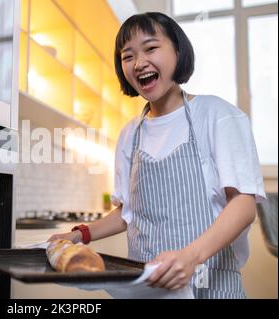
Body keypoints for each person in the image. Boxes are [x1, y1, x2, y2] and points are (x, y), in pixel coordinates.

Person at [48, 12, 266, 299]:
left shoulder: (217, 116)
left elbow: (243, 204)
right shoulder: (129, 134)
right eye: (128, 56)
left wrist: (190, 256)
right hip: (149, 288)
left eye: (151, 48)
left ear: (177, 51)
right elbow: (128, 213)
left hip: (210, 286)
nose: (139, 63)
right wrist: (79, 234)